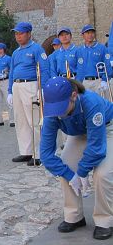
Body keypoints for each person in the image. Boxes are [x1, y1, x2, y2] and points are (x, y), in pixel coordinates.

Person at [40, 76, 113, 240]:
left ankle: (104, 220)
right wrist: (71, 175)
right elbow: (46, 154)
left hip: (106, 130)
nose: (58, 113)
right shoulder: (53, 111)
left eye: (62, 107)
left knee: (103, 174)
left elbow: (97, 147)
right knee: (66, 165)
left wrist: (82, 172)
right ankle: (74, 216)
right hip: (79, 133)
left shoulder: (91, 102)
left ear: (74, 95)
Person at [7, 22, 50, 166]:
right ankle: (26, 151)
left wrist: (42, 89)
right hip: (17, 86)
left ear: (29, 34)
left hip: (31, 85)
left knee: (34, 120)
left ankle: (38, 153)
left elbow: (44, 69)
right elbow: (12, 72)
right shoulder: (16, 52)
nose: (18, 36)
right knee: (21, 120)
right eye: (16, 34)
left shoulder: (37, 49)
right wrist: (9, 91)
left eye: (21, 33)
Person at [76, 24, 111, 95]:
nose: (90, 35)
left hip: (98, 81)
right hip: (84, 82)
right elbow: (79, 69)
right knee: (86, 105)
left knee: (101, 104)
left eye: (92, 32)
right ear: (83, 35)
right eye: (87, 33)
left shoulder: (102, 48)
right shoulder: (79, 50)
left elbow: (108, 65)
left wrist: (104, 80)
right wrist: (78, 83)